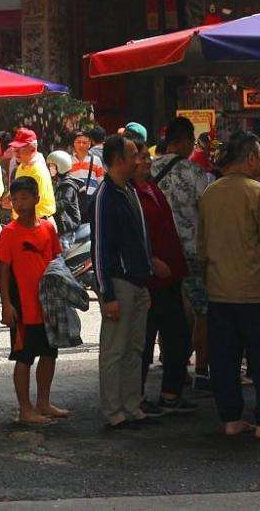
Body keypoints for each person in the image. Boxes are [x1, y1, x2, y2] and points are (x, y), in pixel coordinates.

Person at [198, 132, 260, 438]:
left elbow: (202, 246)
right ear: (251, 157)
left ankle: (231, 419)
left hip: (219, 290)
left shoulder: (210, 193)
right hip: (256, 292)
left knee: (225, 360)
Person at [90, 133, 153, 431]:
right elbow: (99, 248)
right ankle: (113, 409)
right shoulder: (105, 195)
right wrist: (107, 294)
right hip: (120, 282)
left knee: (135, 347)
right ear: (118, 160)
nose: (138, 160)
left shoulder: (129, 190)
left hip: (139, 282)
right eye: (133, 155)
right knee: (115, 349)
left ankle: (132, 404)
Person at [0, 175, 65, 424]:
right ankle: (25, 409)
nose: (19, 203)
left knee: (49, 354)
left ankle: (43, 402)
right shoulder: (9, 232)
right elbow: (3, 270)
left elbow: (57, 262)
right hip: (23, 306)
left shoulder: (48, 228)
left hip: (47, 305)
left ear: (37, 198)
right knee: (24, 357)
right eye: (14, 199)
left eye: (24, 197)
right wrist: (6, 304)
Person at [152, 117, 213, 391]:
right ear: (185, 141)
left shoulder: (149, 171)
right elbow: (211, 211)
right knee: (202, 310)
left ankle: (171, 362)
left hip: (160, 255)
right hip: (192, 251)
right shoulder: (197, 174)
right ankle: (201, 369)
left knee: (167, 311)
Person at [134, 144, 193, 416]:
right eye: (142, 157)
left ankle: (171, 393)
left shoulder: (151, 188)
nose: (148, 161)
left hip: (170, 276)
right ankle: (137, 396)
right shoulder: (129, 193)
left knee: (177, 336)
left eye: (148, 156)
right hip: (148, 279)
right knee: (144, 342)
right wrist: (150, 261)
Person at [7, 128, 56, 221]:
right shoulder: (22, 166)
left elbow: (32, 202)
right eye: (14, 148)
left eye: (20, 149)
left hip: (38, 223)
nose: (16, 152)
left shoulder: (37, 170)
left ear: (33, 149)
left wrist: (13, 203)